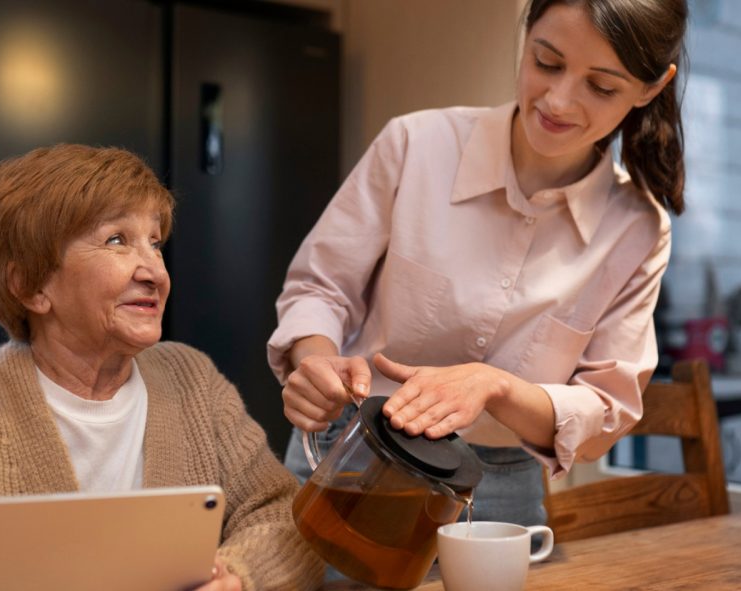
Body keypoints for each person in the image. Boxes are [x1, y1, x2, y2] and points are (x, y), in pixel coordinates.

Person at [0, 144, 324, 591]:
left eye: (155, 243)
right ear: (31, 287)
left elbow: (283, 514)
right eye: (117, 240)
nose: (155, 272)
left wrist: (237, 574)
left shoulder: (192, 380)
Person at [269, 0, 688, 526]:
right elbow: (320, 287)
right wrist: (315, 360)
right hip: (350, 452)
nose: (558, 100)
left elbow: (605, 408)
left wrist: (497, 388)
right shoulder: (414, 145)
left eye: (601, 86)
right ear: (527, 33)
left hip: (496, 488)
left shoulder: (638, 230)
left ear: (650, 87)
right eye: (547, 62)